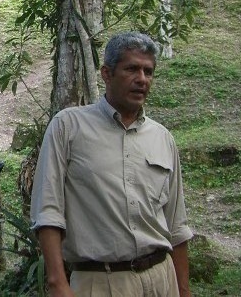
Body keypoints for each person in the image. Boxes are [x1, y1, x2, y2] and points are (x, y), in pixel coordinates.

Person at [30, 31, 193, 297]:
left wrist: (184, 290)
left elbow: (177, 224)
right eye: (131, 69)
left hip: (162, 279)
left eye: (148, 71)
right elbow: (47, 210)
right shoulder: (68, 127)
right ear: (107, 74)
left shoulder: (162, 138)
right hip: (100, 282)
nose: (142, 79)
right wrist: (58, 283)